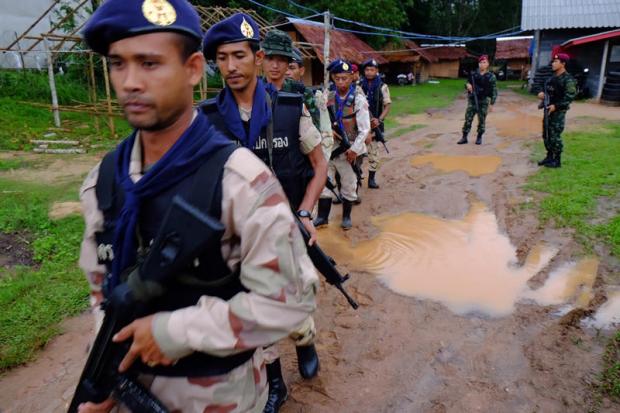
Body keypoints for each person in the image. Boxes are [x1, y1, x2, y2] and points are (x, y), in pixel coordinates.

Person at [77, 2, 317, 412]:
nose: (131, 81)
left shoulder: (241, 181)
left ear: (190, 69)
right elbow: (103, 295)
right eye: (118, 64)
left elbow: (289, 299)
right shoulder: (103, 184)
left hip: (218, 397)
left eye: (150, 63)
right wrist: (105, 379)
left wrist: (173, 332)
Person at [201, 18, 327, 413]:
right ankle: (274, 382)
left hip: (287, 228)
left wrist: (306, 211)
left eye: (239, 55)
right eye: (222, 58)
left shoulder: (289, 110)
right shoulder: (207, 120)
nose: (231, 66)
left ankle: (305, 339)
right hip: (237, 240)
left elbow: (320, 164)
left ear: (255, 59)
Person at [313, 59, 370, 230]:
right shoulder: (328, 96)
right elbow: (320, 119)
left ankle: (346, 217)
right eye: (337, 78)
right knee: (325, 183)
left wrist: (354, 150)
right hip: (329, 149)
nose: (341, 82)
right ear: (333, 78)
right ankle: (322, 217)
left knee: (349, 184)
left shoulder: (358, 99)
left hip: (348, 151)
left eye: (344, 78)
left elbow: (364, 129)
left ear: (352, 77)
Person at [536, 53, 577, 168]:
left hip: (558, 112)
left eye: (556, 62)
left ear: (563, 64)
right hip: (548, 110)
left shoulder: (568, 80)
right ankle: (549, 156)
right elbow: (546, 90)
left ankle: (557, 160)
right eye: (553, 61)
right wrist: (541, 94)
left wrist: (556, 106)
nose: (553, 64)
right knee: (546, 134)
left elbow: (569, 97)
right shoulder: (552, 78)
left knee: (555, 135)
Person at [360, 59, 391, 189]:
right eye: (367, 70)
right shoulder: (359, 86)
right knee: (358, 152)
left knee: (373, 153)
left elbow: (387, 105)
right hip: (360, 126)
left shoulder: (382, 86)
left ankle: (371, 179)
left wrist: (379, 120)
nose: (369, 72)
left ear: (377, 71)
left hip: (374, 125)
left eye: (372, 70)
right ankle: (357, 177)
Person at [457, 54, 497, 145]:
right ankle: (464, 137)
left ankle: (479, 137)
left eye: (484, 62)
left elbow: (494, 90)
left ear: (487, 64)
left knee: (482, 119)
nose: (482, 64)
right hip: (472, 100)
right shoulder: (473, 74)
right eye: (481, 62)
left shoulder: (491, 76)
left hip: (484, 101)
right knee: (468, 118)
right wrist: (467, 85)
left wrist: (492, 103)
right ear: (478, 64)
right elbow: (467, 83)